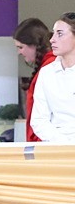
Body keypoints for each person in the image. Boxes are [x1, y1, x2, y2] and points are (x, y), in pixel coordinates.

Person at [30, 13, 75, 143]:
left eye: (59, 34)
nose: (52, 39)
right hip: (56, 149)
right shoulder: (46, 73)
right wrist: (63, 143)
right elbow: (38, 120)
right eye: (53, 33)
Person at [13, 17, 57, 142]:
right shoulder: (47, 66)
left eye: (20, 47)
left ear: (34, 45)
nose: (19, 52)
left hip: (45, 147)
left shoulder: (51, 68)